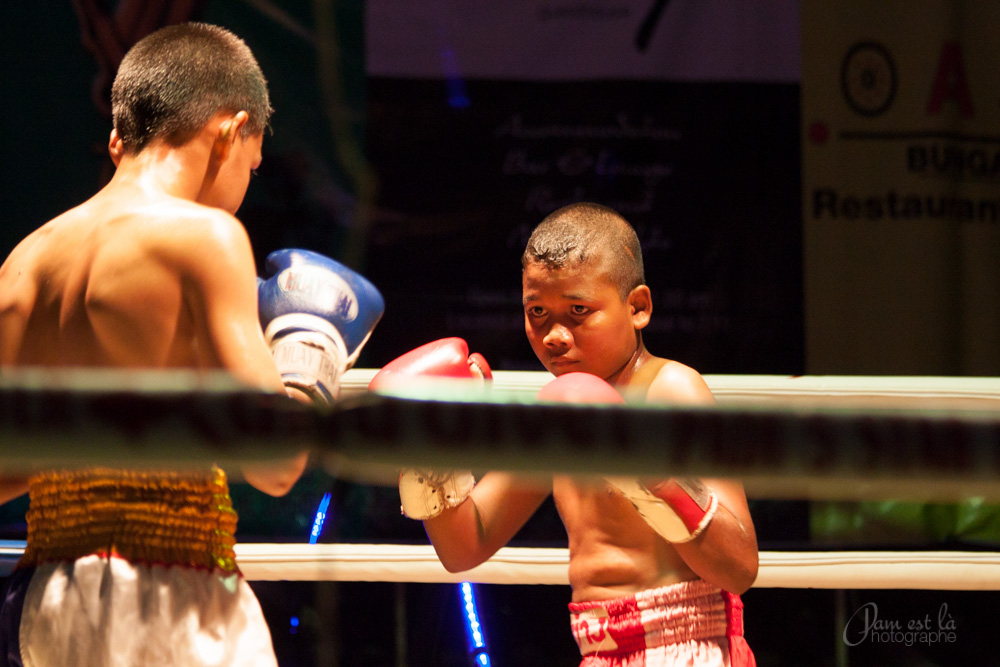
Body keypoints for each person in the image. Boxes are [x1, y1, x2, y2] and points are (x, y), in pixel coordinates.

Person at [0, 22, 382, 666]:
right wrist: (307, 357)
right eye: (252, 166)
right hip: (169, 596)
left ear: (122, 137)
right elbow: (276, 461)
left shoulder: (25, 262)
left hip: (47, 604)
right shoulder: (204, 237)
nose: (245, 185)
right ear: (231, 132)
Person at [382, 202, 757, 666]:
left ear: (637, 307)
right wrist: (429, 458)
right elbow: (465, 545)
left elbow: (740, 566)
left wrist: (646, 472)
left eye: (578, 310)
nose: (555, 334)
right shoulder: (558, 413)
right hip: (598, 651)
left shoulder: (671, 389)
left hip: (687, 644)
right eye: (537, 311)